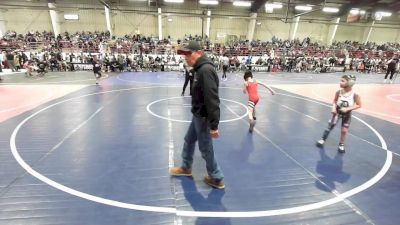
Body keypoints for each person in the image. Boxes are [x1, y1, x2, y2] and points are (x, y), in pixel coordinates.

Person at [170, 41, 225, 189]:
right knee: (188, 140)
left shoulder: (205, 70)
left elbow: (212, 99)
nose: (186, 57)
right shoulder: (198, 69)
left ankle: (216, 177)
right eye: (184, 55)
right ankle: (186, 168)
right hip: (197, 115)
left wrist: (214, 125)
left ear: (199, 53)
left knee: (206, 148)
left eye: (189, 54)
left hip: (204, 118)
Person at [316, 75, 362, 153]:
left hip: (347, 114)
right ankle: (323, 139)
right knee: (330, 125)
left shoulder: (355, 94)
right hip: (337, 112)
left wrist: (347, 109)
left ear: (350, 83)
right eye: (340, 80)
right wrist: (333, 108)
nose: (340, 82)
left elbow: (358, 105)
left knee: (344, 130)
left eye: (342, 81)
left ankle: (341, 144)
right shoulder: (339, 92)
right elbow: (334, 101)